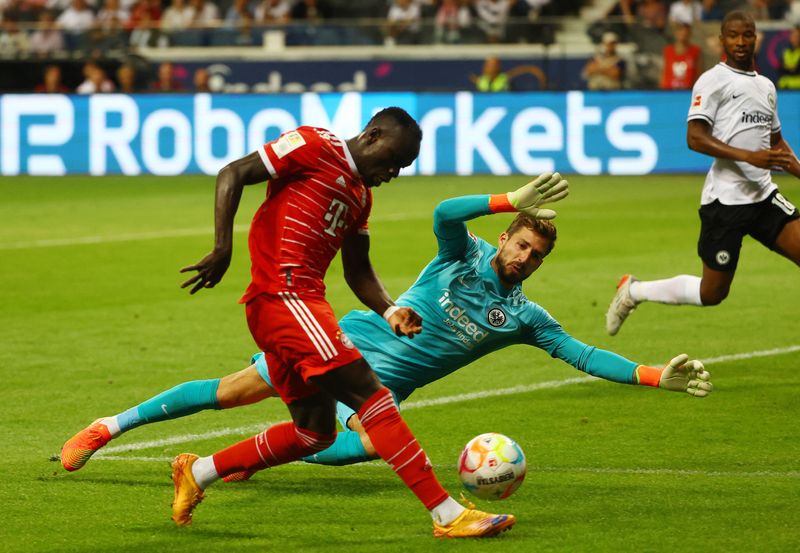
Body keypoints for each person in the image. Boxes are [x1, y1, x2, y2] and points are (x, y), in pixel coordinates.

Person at [61, 173, 712, 480]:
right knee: (232, 391)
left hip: (380, 390)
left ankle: (232, 462)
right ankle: (107, 426)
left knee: (348, 442)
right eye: (519, 244)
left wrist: (655, 373)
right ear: (504, 238)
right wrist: (509, 197)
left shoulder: (525, 317)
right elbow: (444, 210)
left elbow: (583, 353)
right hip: (341, 346)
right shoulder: (460, 255)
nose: (524, 257)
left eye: (536, 255)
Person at [155, 108, 515, 537]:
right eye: (392, 160)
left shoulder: (361, 197)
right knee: (373, 395)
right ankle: (447, 514)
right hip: (283, 297)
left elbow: (358, 271)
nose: (393, 173)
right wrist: (222, 247)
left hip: (303, 304)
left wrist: (389, 310)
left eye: (402, 168)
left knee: (315, 434)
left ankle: (201, 471)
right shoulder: (312, 145)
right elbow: (233, 173)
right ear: (373, 134)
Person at [606, 11, 800, 336]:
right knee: (711, 293)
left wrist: (796, 168)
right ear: (722, 40)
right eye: (734, 35)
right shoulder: (713, 80)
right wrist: (748, 155)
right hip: (725, 203)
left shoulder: (766, 86)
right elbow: (694, 137)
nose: (741, 42)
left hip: (764, 196)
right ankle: (634, 291)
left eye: (747, 35)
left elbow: (776, 141)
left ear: (756, 39)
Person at [660, 22, 702, 90]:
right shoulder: (667, 51)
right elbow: (663, 72)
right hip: (668, 91)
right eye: (680, 31)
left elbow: (699, 74)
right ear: (675, 33)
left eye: (686, 33)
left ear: (690, 34)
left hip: (688, 92)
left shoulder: (696, 51)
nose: (683, 34)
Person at [777, 25, 800, 90]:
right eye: (793, 36)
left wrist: (789, 69)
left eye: (797, 36)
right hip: (784, 85)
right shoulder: (785, 52)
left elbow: (797, 70)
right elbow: (780, 69)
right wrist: (792, 69)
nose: (794, 38)